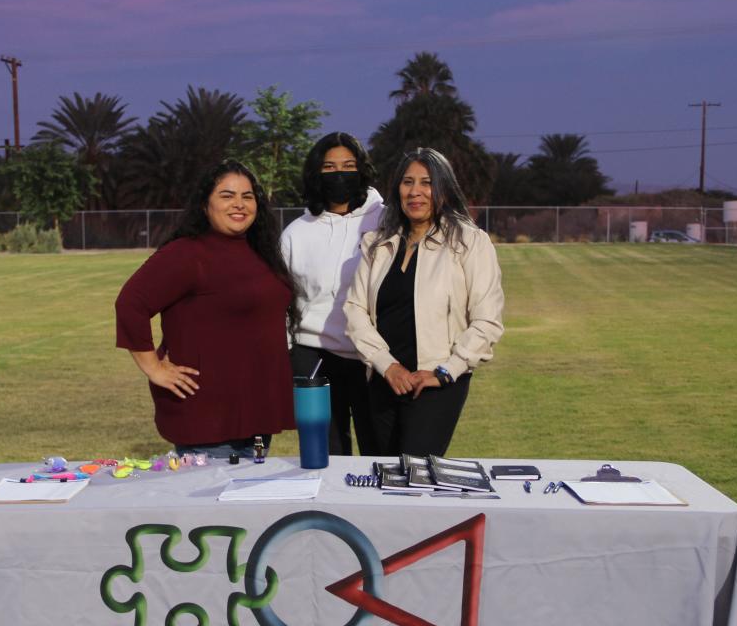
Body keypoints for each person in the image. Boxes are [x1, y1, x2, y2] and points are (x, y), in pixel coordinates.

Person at [115, 160, 299, 458]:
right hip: (210, 418)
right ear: (205, 205)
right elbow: (131, 303)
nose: (239, 204)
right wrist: (154, 368)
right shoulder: (187, 253)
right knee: (219, 503)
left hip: (255, 412)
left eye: (247, 196)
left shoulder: (260, 250)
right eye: (226, 196)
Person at [343, 147, 504, 457]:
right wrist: (387, 366)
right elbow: (355, 309)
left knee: (416, 479)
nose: (415, 192)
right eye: (407, 182)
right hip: (384, 380)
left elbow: (487, 320)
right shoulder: (377, 244)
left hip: (435, 384)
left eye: (427, 182)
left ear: (443, 188)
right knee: (379, 478)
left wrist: (446, 371)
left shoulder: (470, 243)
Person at [281, 132, 385, 456]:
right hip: (313, 354)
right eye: (329, 166)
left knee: (378, 449)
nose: (339, 173)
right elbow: (284, 300)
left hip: (371, 355)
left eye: (348, 165)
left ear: (362, 170)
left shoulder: (385, 220)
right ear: (316, 173)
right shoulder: (296, 233)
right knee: (324, 453)